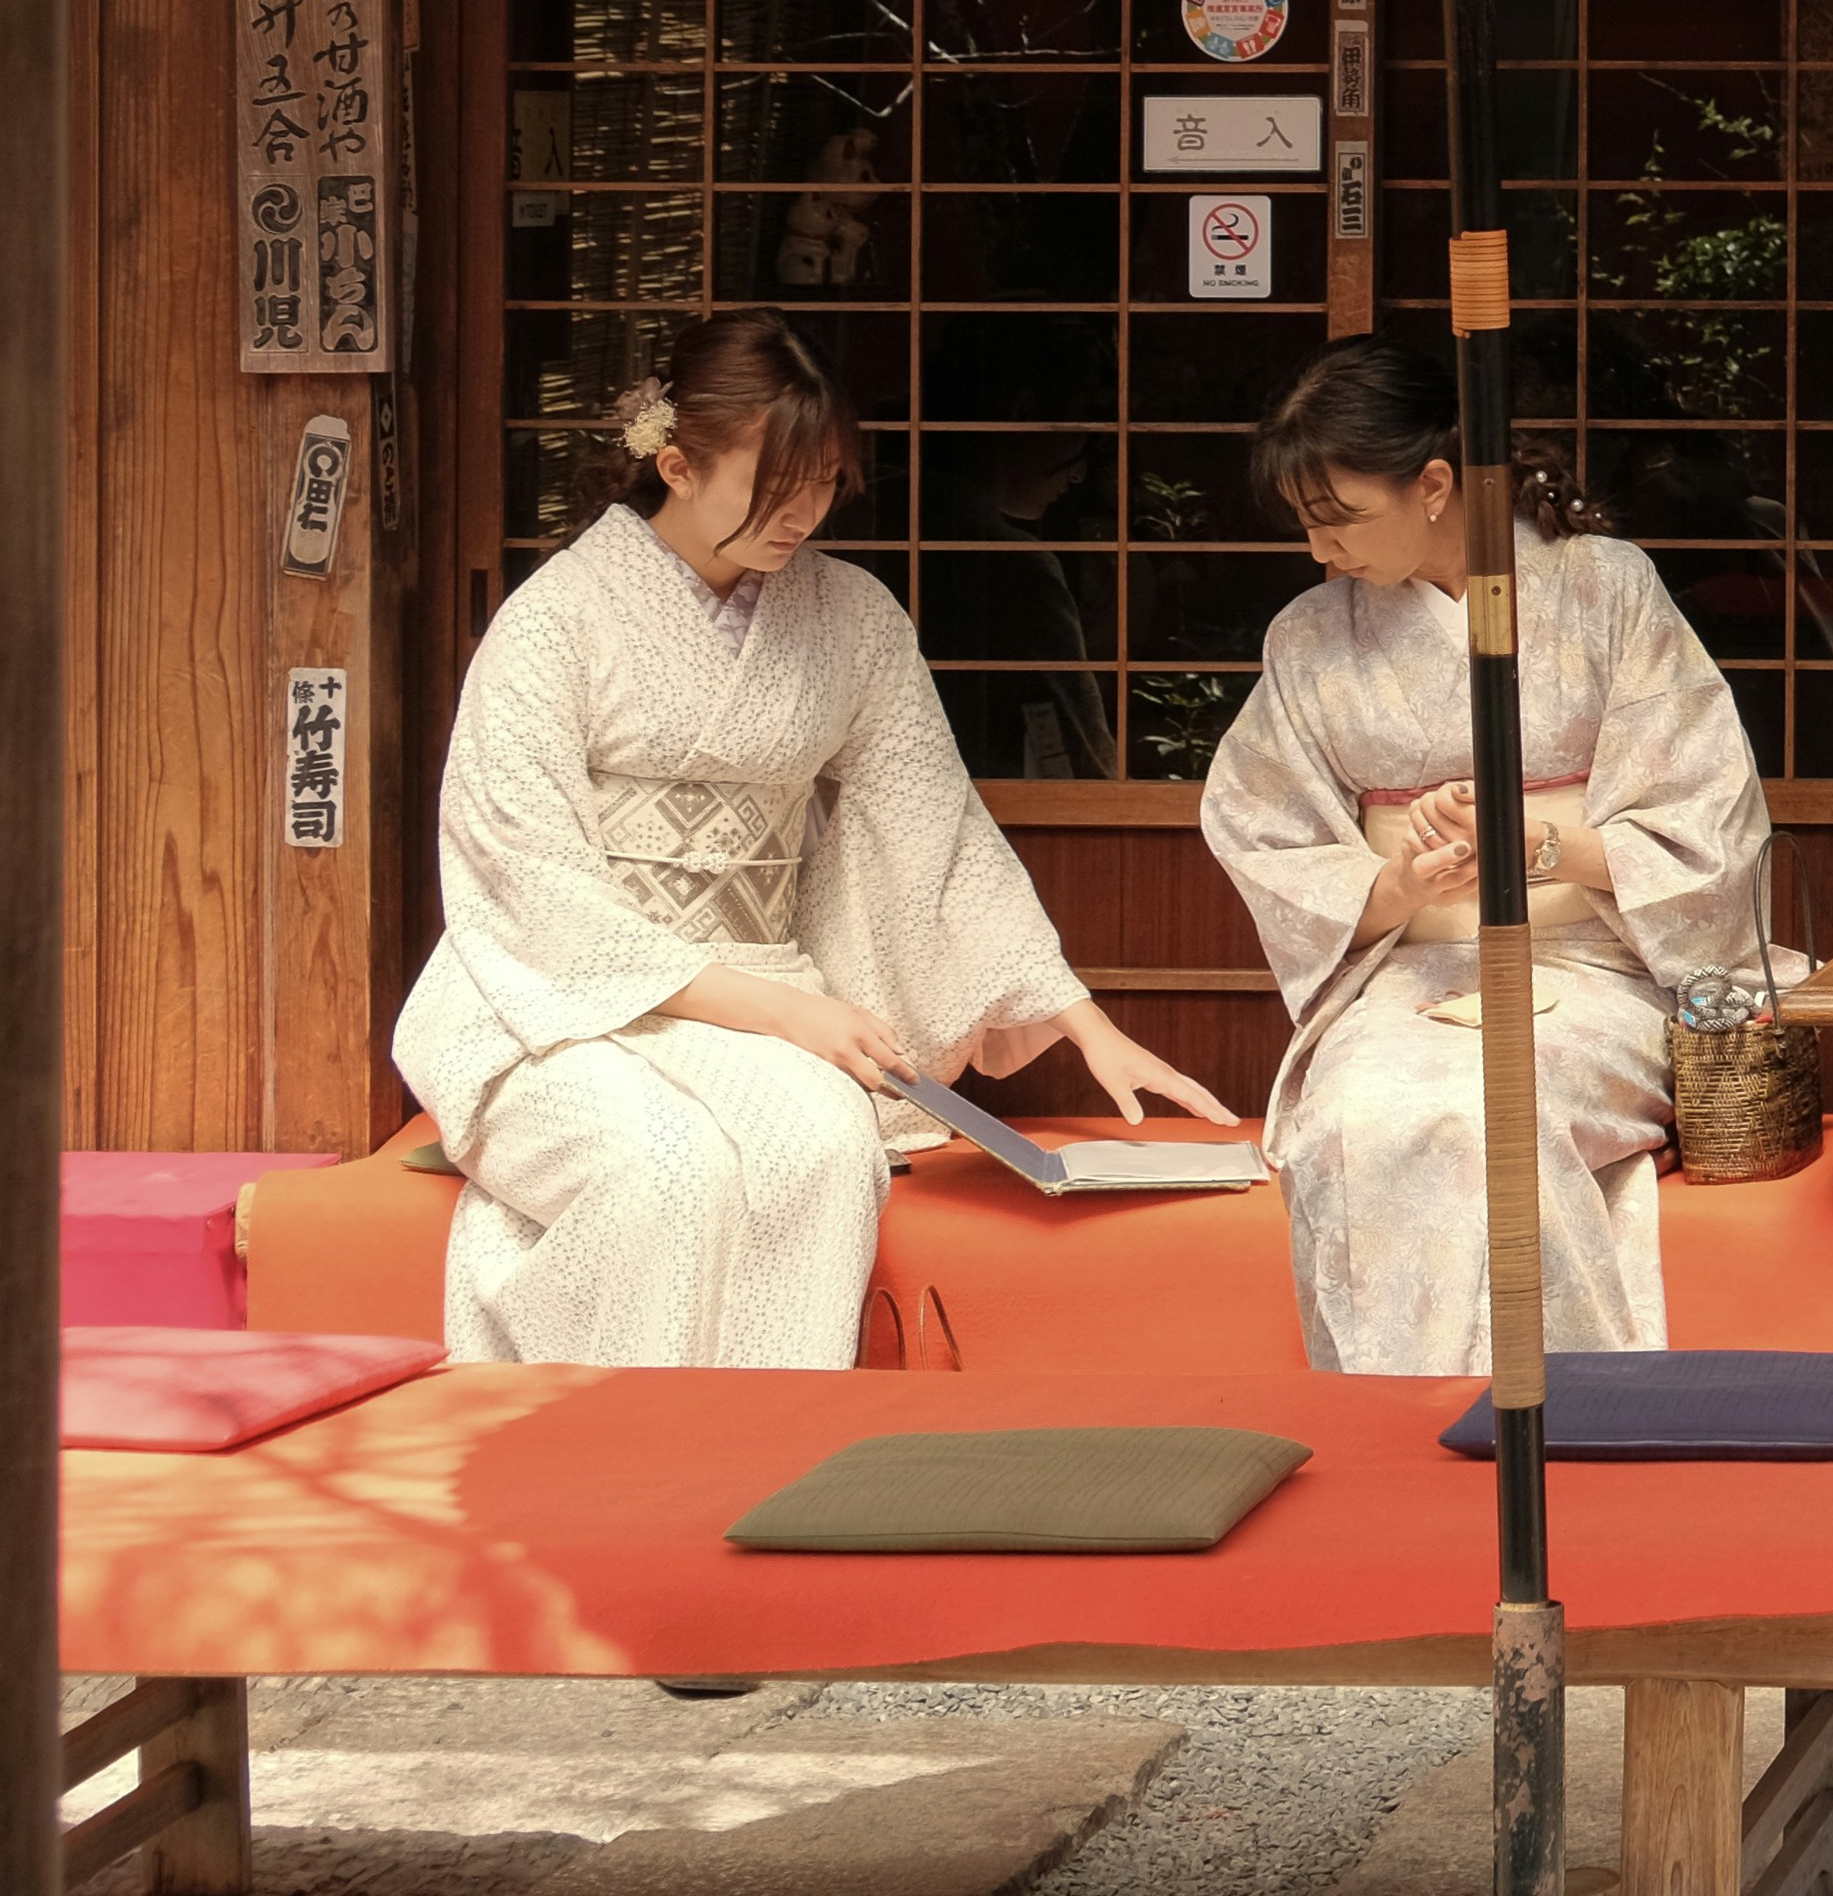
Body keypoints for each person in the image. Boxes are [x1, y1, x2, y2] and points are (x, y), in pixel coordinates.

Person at [395, 310, 1230, 1365]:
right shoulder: (554, 620)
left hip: (763, 993)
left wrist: (1078, 1016)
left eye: (826, 481)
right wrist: (788, 1011)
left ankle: (758, 1451)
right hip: (550, 1004)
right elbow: (524, 880)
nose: (806, 512)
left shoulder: (852, 615)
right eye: (776, 484)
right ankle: (603, 1452)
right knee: (665, 1164)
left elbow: (935, 817)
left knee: (828, 1147)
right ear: (676, 461)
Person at [1200, 340, 1773, 1373]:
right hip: (1410, 976)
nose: (1320, 550)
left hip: (1597, 968)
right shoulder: (1308, 637)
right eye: (1306, 525)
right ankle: (1407, 1445)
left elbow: (1705, 814)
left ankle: (1549, 1431)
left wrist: (1542, 843)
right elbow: (1262, 825)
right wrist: (1397, 882)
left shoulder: (1604, 589)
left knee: (1487, 1107)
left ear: (1430, 484)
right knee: (1360, 1113)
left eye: (1337, 517)